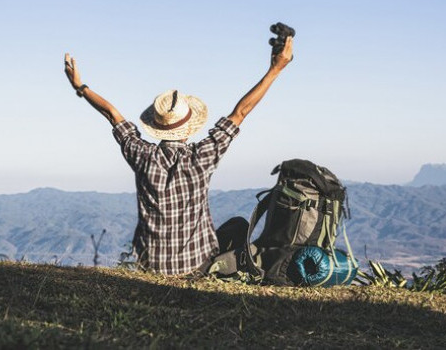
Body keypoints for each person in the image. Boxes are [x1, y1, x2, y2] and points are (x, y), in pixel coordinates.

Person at [64, 34, 293, 275]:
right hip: (197, 265)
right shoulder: (203, 156)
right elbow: (241, 112)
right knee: (238, 226)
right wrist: (275, 69)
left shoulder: (141, 154)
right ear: (189, 127)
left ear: (157, 125)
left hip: (150, 265)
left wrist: (80, 86)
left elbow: (111, 113)